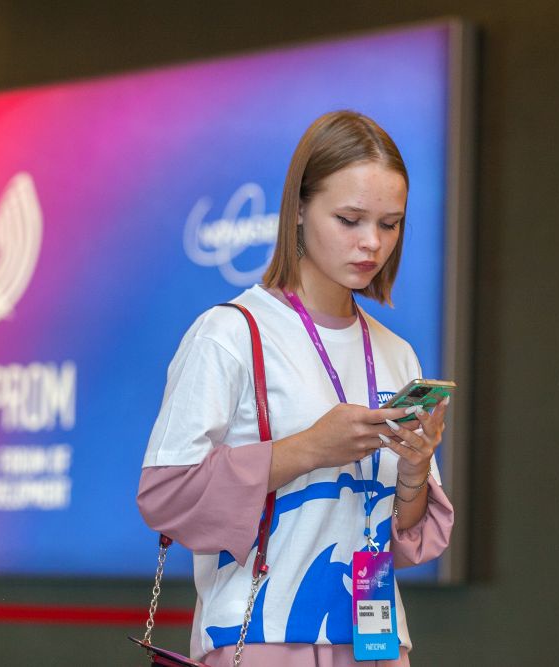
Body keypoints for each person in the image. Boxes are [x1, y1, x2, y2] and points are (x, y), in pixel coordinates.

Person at [138, 110, 454, 666]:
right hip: (259, 640)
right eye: (350, 219)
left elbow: (404, 537)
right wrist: (309, 448)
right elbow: (167, 495)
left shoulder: (396, 353)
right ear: (300, 210)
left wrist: (414, 469)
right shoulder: (231, 334)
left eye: (390, 224)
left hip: (377, 644)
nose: (372, 243)